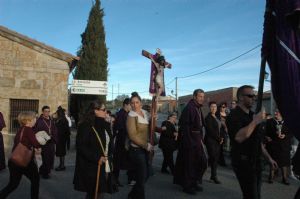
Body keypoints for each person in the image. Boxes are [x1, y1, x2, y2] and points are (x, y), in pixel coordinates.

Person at [226, 85, 277, 199]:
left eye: (254, 96)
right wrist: (255, 122)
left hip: (256, 162)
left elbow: (257, 141)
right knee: (251, 195)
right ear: (240, 98)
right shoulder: (233, 115)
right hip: (244, 162)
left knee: (257, 195)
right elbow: (239, 137)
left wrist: (269, 158)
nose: (253, 98)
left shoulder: (251, 115)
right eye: (250, 96)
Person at [73, 100, 113, 199]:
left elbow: (109, 142)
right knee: (93, 193)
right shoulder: (85, 125)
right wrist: (96, 158)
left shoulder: (105, 124)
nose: (106, 112)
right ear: (95, 111)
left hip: (105, 163)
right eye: (104, 110)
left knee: (101, 191)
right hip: (92, 165)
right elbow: (81, 146)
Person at [173, 89, 208, 195]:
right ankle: (187, 185)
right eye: (200, 96)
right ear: (194, 97)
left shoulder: (197, 108)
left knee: (199, 163)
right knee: (189, 164)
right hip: (191, 142)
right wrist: (190, 142)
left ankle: (194, 182)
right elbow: (184, 127)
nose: (202, 98)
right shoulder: (189, 108)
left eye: (203, 96)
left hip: (197, 140)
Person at [0, 111, 40, 199]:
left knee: (13, 184)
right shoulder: (28, 130)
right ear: (28, 120)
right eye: (34, 119)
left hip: (15, 161)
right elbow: (36, 144)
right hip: (24, 161)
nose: (35, 120)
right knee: (35, 180)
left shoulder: (21, 129)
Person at [127, 92, 153, 199]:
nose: (134, 105)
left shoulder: (145, 113)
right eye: (132, 103)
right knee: (142, 177)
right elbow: (132, 136)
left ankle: (132, 195)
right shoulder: (131, 116)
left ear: (140, 103)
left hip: (146, 149)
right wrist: (145, 145)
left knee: (146, 175)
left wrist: (153, 118)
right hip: (136, 150)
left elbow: (151, 126)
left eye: (137, 102)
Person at [266, 110, 292, 185]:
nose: (275, 113)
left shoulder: (288, 122)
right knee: (273, 161)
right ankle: (271, 176)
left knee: (284, 162)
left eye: (277, 112)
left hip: (284, 145)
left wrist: (285, 136)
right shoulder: (270, 121)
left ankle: (284, 178)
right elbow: (266, 132)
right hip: (273, 145)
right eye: (275, 112)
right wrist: (267, 137)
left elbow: (291, 134)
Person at [34, 106, 57, 179]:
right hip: (43, 143)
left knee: (50, 157)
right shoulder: (39, 121)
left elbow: (54, 130)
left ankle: (47, 171)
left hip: (51, 142)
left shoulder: (51, 121)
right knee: (44, 158)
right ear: (43, 112)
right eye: (46, 111)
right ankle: (44, 173)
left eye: (48, 111)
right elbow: (36, 131)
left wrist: (53, 137)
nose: (47, 113)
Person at [113, 98, 132, 186]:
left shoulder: (126, 114)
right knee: (117, 162)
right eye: (130, 105)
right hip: (121, 142)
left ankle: (126, 179)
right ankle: (114, 180)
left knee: (122, 162)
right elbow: (121, 129)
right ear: (126, 105)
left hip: (124, 141)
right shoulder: (121, 114)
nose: (131, 106)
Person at [205, 101, 223, 184]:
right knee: (213, 158)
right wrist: (219, 138)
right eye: (212, 106)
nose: (213, 108)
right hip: (210, 141)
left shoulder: (217, 116)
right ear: (209, 108)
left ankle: (213, 175)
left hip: (218, 140)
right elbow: (210, 131)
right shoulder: (208, 118)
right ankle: (214, 176)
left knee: (215, 158)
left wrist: (221, 137)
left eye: (215, 107)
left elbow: (220, 128)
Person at [54, 106, 70, 171]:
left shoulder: (62, 120)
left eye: (57, 113)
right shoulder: (62, 119)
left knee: (61, 152)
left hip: (61, 139)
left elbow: (63, 131)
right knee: (61, 152)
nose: (56, 114)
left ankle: (62, 165)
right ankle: (62, 165)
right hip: (61, 139)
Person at [216, 102, 228, 167]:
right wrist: (222, 123)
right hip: (219, 132)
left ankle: (218, 160)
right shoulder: (217, 114)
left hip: (225, 132)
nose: (222, 108)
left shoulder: (227, 114)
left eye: (223, 107)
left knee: (222, 147)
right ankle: (221, 161)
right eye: (221, 107)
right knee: (219, 147)